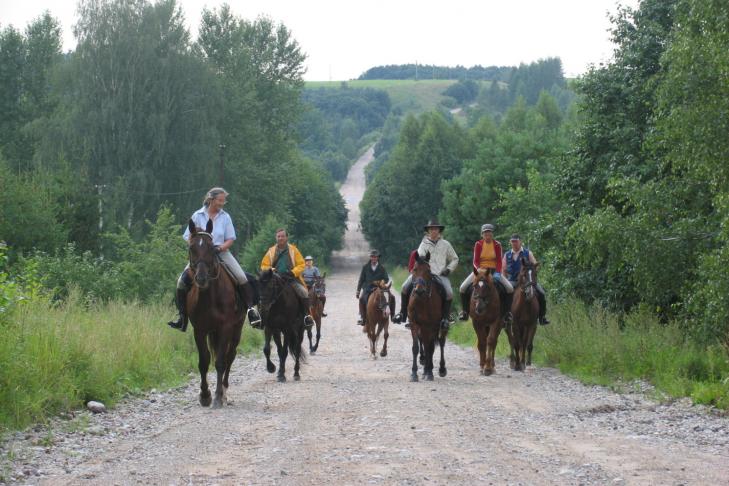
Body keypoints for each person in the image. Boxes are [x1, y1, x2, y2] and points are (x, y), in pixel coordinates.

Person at [168, 187, 261, 332]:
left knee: (242, 277)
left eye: (224, 201)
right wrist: (198, 248)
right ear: (211, 199)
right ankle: (182, 317)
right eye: (220, 200)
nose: (222, 203)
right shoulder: (197, 215)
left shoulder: (225, 217)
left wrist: (220, 248)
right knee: (181, 282)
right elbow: (188, 236)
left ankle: (250, 311)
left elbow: (230, 239)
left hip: (221, 252)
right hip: (201, 256)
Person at [393, 219, 458, 330]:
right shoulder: (423, 244)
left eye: (436, 229)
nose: (433, 231)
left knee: (449, 293)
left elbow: (455, 259)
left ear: (439, 231)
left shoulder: (446, 244)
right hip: (424, 274)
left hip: (440, 274)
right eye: (431, 229)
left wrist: (448, 269)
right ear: (428, 231)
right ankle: (402, 314)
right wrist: (421, 268)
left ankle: (446, 318)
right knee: (404, 287)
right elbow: (419, 257)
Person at [457, 224, 513, 324]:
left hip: (494, 271)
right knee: (462, 287)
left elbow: (499, 261)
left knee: (509, 288)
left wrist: (498, 272)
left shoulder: (497, 244)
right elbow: (475, 261)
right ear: (482, 234)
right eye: (485, 233)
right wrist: (478, 271)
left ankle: (507, 313)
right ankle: (465, 312)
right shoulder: (478, 244)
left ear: (492, 234)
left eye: (489, 232)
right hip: (480, 271)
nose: (488, 234)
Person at [260, 228, 315, 328]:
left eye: (282, 236)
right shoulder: (271, 251)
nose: (280, 238)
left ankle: (307, 316)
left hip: (291, 279)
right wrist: (271, 270)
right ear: (276, 238)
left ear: (286, 237)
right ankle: (262, 319)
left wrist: (292, 273)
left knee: (303, 292)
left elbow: (301, 264)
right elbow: (264, 265)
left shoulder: (293, 250)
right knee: (263, 294)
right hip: (275, 279)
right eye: (278, 236)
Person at [502, 234, 550, 325]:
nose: (514, 243)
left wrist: (531, 272)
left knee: (542, 293)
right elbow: (503, 269)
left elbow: (535, 265)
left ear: (520, 241)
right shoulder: (507, 254)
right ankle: (505, 317)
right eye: (512, 242)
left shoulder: (528, 253)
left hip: (527, 280)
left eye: (516, 241)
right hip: (512, 280)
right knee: (503, 294)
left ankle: (542, 317)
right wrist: (505, 280)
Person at [356, 250, 395, 325]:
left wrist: (381, 282)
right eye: (372, 257)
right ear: (370, 258)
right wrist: (358, 291)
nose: (374, 258)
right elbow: (361, 279)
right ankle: (362, 317)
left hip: (380, 288)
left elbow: (386, 278)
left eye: (375, 257)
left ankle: (392, 316)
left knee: (392, 297)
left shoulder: (382, 268)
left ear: (378, 258)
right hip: (368, 288)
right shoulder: (365, 267)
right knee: (361, 299)